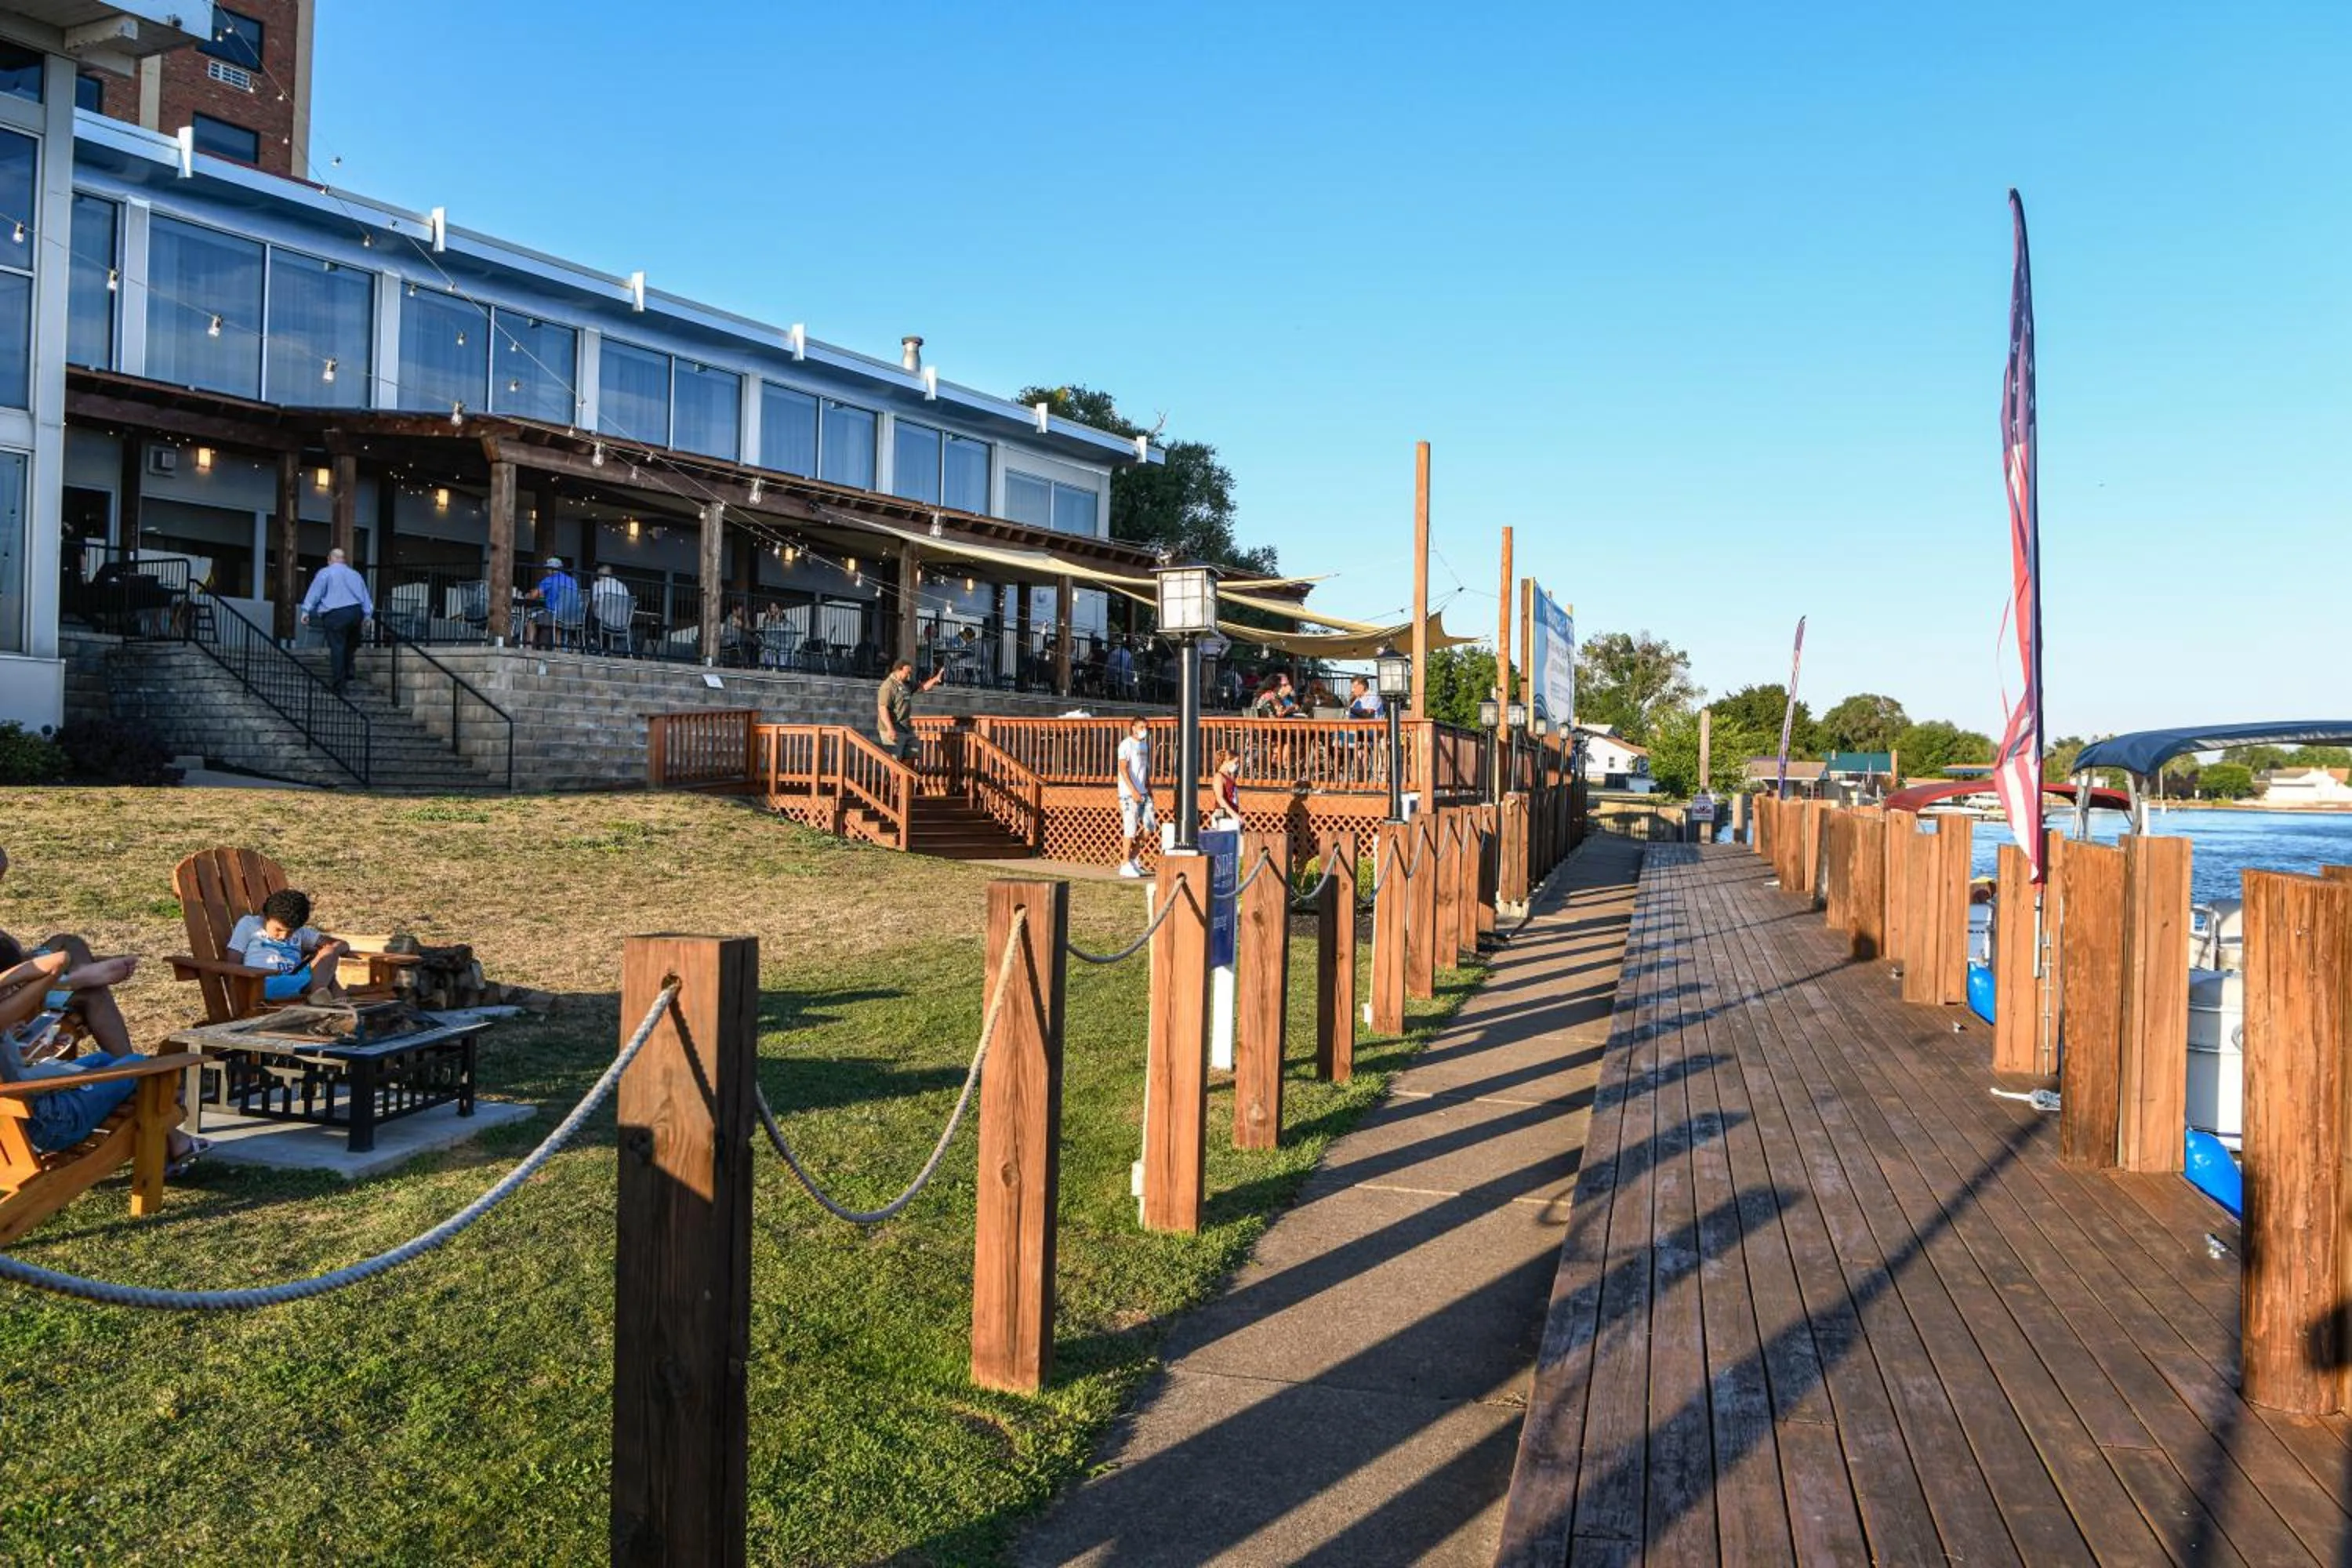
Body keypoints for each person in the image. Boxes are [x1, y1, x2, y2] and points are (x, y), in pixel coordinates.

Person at [0, 945, 206, 1171]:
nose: (15, 993)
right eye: (13, 988)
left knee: (101, 1060)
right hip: (48, 1125)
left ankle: (175, 1140)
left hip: (16, 1116)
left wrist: (26, 1050)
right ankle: (176, 1143)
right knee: (138, 1066)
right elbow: (59, 959)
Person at [0, 847, 135, 1056]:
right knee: (92, 991)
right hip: (12, 994)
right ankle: (70, 980)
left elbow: (11, 951)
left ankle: (131, 1068)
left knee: (68, 942)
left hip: (17, 981)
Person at [227, 888, 352, 1004]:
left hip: (297, 978)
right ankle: (334, 1006)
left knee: (330, 951)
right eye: (278, 929)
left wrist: (334, 950)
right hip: (265, 982)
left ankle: (321, 997)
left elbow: (341, 944)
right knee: (329, 978)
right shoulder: (250, 924)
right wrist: (239, 990)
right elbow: (233, 961)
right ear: (265, 916)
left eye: (291, 931)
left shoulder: (301, 933)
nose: (283, 936)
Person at [299, 546, 373, 691]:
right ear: (343, 560)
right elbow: (365, 596)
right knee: (349, 646)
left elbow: (315, 592)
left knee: (337, 648)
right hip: (355, 612)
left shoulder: (325, 573)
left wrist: (306, 610)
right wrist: (367, 615)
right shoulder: (355, 574)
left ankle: (339, 684)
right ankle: (349, 674)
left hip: (336, 614)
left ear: (329, 559)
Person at [875, 657, 944, 763]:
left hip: (905, 727)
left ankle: (906, 778)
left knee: (913, 752)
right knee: (895, 759)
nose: (909, 676)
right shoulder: (888, 686)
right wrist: (890, 728)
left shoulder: (906, 683)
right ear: (898, 670)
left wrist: (935, 679)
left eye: (910, 673)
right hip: (892, 727)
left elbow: (922, 687)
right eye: (907, 673)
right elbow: (883, 709)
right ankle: (894, 779)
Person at [1116, 717, 1156, 878]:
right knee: (1130, 828)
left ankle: (1133, 859)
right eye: (1141, 727)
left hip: (1144, 792)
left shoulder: (1144, 745)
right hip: (1129, 793)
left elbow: (1144, 770)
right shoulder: (1126, 745)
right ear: (1133, 728)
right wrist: (1133, 790)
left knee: (1149, 827)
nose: (1144, 730)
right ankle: (1125, 863)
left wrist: (1148, 788)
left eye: (1146, 727)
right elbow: (1123, 769)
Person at [590, 564, 634, 652]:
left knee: (591, 617)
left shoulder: (598, 585)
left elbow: (593, 604)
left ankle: (597, 647)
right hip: (622, 624)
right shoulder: (622, 586)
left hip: (604, 623)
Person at [1209, 750, 1244, 832]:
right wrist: (1234, 814)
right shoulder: (1219, 776)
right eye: (1235, 762)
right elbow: (1220, 798)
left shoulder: (1229, 776)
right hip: (1223, 815)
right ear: (1226, 761)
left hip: (1231, 815)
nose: (1236, 765)